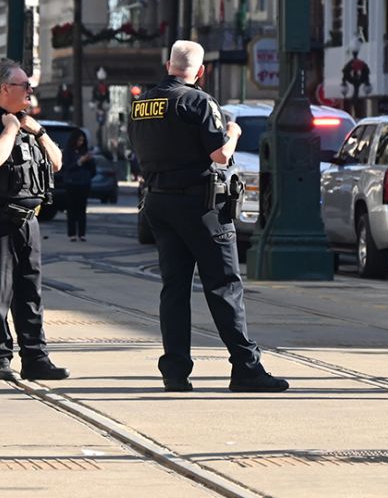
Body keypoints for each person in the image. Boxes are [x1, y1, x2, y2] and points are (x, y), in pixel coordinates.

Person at [129, 40, 288, 394]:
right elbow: (218, 154)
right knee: (224, 286)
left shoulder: (142, 104)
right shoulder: (198, 100)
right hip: (200, 207)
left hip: (158, 202)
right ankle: (246, 368)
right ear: (201, 72)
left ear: (168, 63)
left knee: (174, 288)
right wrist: (233, 133)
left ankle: (175, 371)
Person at [0, 59, 69, 382]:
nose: (30, 92)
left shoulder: (29, 124)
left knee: (31, 293)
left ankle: (36, 357)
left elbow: (57, 162)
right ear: (5, 88)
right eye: (25, 86)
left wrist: (38, 131)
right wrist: (9, 128)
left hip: (28, 222)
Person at [59, 131, 95, 241]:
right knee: (71, 209)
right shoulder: (68, 152)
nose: (80, 142)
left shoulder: (85, 151)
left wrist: (89, 162)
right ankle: (72, 234)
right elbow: (67, 167)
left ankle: (82, 233)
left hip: (83, 183)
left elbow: (93, 170)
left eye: (82, 140)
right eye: (79, 140)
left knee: (82, 209)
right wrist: (80, 162)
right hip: (71, 183)